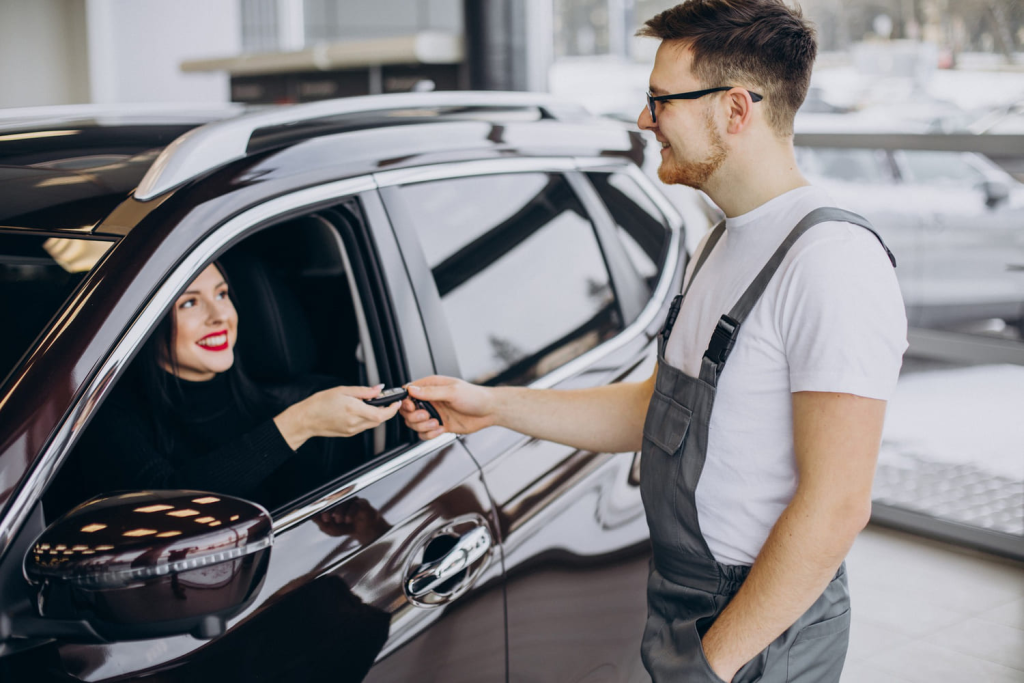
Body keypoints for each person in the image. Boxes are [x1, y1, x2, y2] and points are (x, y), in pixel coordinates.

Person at [399, 1, 907, 681]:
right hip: (683, 600)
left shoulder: (831, 261)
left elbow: (837, 505)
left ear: (734, 109)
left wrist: (712, 663)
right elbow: (655, 409)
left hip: (760, 626)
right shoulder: (724, 239)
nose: (645, 119)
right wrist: (489, 404)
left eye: (661, 100)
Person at [63, 262, 400, 510]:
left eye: (222, 294)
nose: (219, 315)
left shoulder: (274, 403)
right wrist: (300, 423)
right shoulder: (106, 416)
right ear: (144, 324)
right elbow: (166, 505)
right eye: (189, 302)